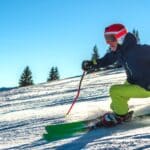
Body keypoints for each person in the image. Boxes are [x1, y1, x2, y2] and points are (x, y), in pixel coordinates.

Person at [82, 23, 150, 127]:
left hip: (146, 86)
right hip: (135, 81)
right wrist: (92, 64)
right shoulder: (119, 52)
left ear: (121, 37)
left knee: (115, 91)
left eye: (111, 38)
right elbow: (107, 59)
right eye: (106, 39)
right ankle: (119, 111)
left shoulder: (138, 50)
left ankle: (121, 116)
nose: (109, 42)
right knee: (115, 102)